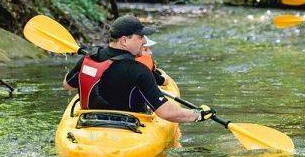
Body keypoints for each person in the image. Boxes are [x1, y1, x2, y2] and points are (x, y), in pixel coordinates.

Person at [63, 14, 214, 123]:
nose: (144, 41)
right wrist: (197, 114)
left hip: (87, 124)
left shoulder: (88, 59)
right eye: (140, 37)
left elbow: (67, 85)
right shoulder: (139, 71)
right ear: (124, 40)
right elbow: (166, 113)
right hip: (129, 129)